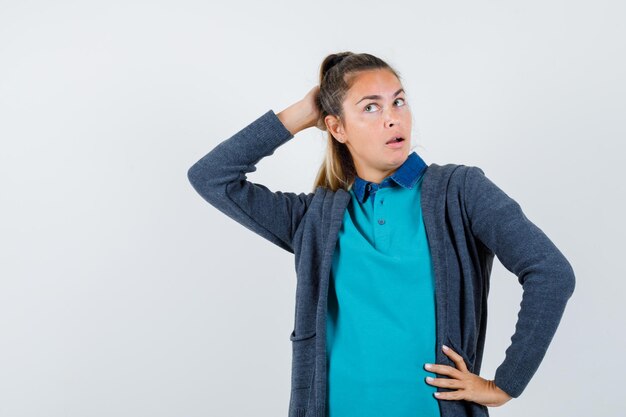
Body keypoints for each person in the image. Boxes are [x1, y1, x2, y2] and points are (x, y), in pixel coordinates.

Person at [187, 52, 576, 417]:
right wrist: (302, 113)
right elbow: (212, 177)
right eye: (370, 107)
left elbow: (549, 272)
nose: (392, 119)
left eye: (398, 102)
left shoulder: (459, 191)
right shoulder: (313, 218)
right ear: (337, 127)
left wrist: (505, 384)